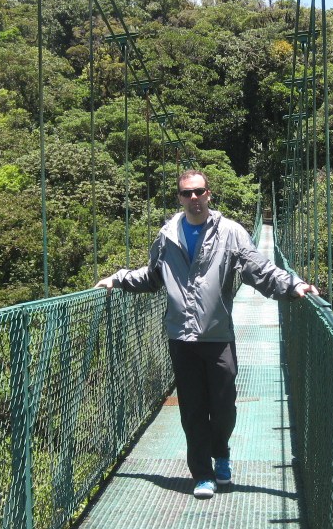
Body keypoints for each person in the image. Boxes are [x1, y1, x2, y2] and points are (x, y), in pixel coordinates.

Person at [95, 170, 318, 500]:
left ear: (209, 194)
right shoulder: (167, 235)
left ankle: (222, 453)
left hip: (217, 336)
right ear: (180, 198)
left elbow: (258, 267)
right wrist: (119, 278)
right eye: (187, 193)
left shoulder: (230, 232)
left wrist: (293, 284)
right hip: (181, 338)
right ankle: (202, 473)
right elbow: (153, 275)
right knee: (193, 410)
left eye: (199, 191)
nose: (194, 198)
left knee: (224, 405)